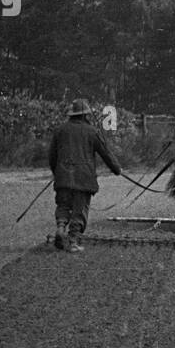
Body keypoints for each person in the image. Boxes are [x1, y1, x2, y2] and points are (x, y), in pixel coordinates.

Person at [48, 98, 121, 253]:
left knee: (63, 205)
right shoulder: (92, 131)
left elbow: (52, 156)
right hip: (83, 179)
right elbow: (106, 153)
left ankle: (61, 227)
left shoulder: (60, 130)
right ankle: (73, 242)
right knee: (79, 211)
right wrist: (117, 169)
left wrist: (57, 173)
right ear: (85, 115)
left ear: (72, 114)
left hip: (63, 178)